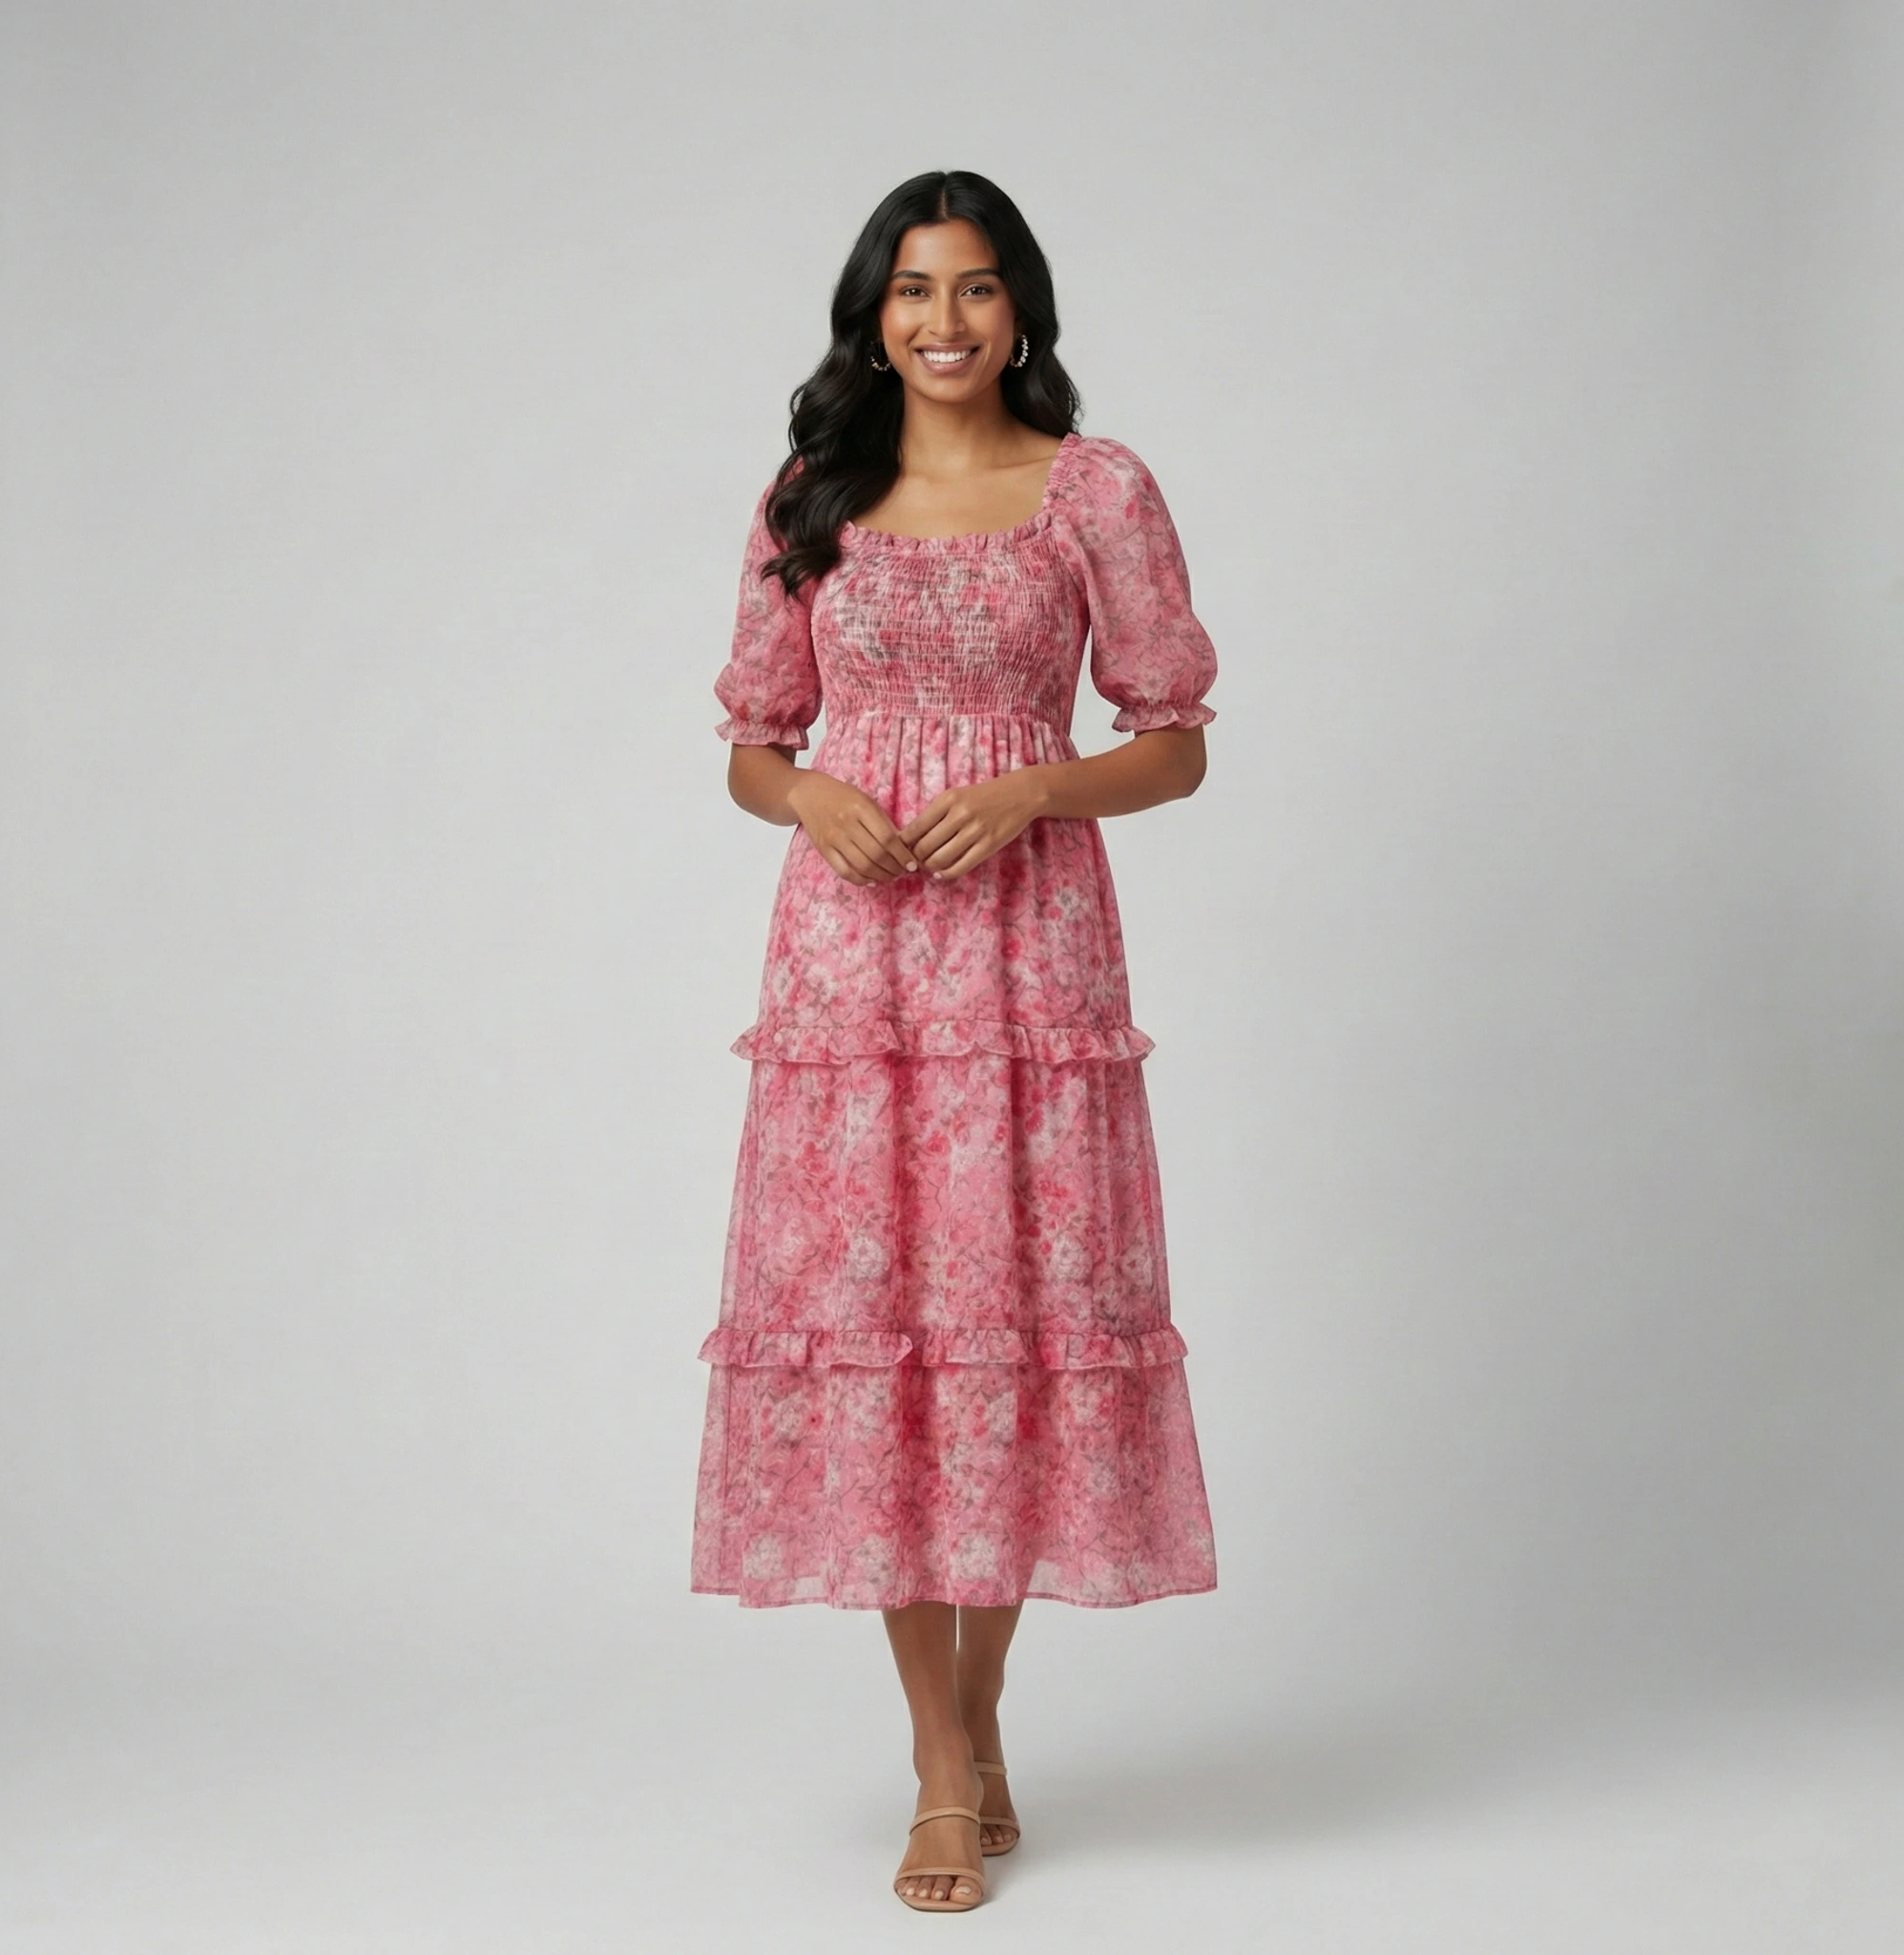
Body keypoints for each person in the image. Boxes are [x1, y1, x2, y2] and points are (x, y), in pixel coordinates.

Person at [692, 169, 1220, 1913]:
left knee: (1007, 1332)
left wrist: (1038, 790)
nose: (943, 323)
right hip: (855, 973)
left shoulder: (1096, 492)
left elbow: (1175, 735)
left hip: (1027, 955)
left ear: (1022, 311)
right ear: (871, 314)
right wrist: (812, 799)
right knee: (884, 1335)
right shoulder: (813, 495)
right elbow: (754, 742)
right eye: (913, 292)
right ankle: (942, 1768)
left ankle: (981, 1724)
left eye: (977, 290)